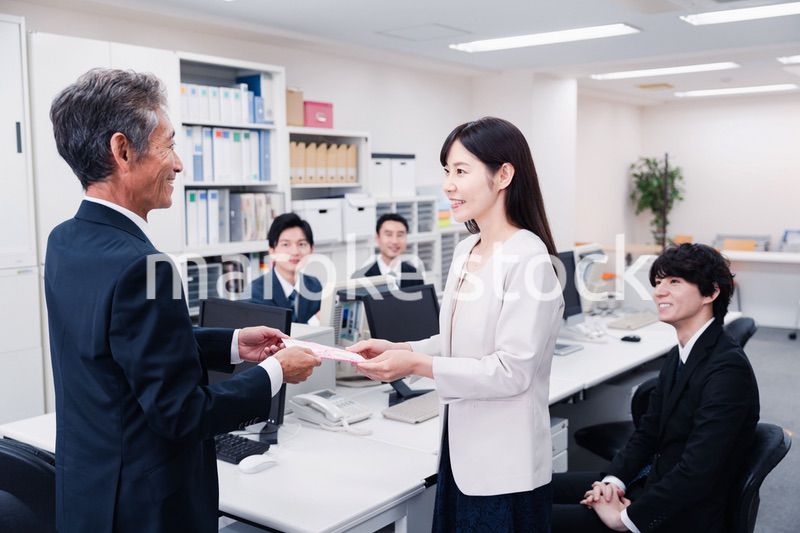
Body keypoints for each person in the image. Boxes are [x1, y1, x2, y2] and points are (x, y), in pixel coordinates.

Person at [45, 68, 321, 533]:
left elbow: (125, 345)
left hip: (89, 495)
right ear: (122, 150)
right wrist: (276, 371)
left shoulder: (66, 241)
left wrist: (231, 343)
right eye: (168, 145)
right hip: (147, 508)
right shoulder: (143, 265)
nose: (178, 164)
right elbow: (184, 414)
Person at [350, 117, 563, 532]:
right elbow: (454, 340)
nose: (449, 184)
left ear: (503, 174)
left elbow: (510, 371)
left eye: (461, 171)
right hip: (459, 452)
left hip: (505, 468)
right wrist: (403, 349)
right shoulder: (467, 249)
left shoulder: (530, 259)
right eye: (447, 170)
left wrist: (415, 367)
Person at [552, 243, 760, 533]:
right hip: (651, 483)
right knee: (533, 491)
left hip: (681, 514)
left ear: (711, 293)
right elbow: (648, 433)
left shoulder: (727, 371)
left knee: (534, 517)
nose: (659, 291)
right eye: (658, 282)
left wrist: (625, 519)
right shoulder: (682, 353)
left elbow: (698, 473)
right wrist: (612, 483)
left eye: (674, 281)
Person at [249, 212, 323, 324]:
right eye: (285, 244)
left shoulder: (314, 285)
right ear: (272, 250)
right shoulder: (256, 292)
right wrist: (315, 321)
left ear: (312, 249)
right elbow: (277, 337)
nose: (295, 252)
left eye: (301, 244)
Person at [351, 213, 424, 289]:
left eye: (400, 235)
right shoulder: (361, 277)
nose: (394, 241)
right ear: (377, 238)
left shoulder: (415, 274)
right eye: (389, 234)